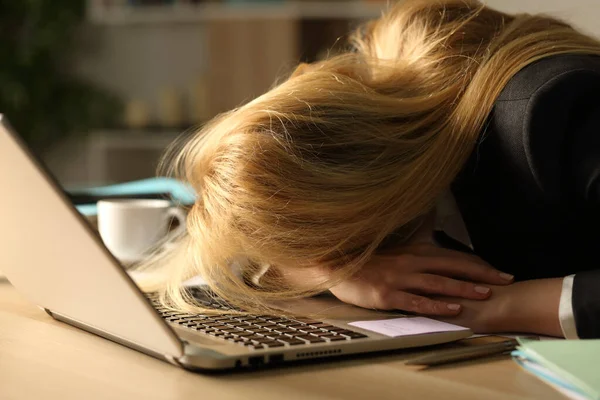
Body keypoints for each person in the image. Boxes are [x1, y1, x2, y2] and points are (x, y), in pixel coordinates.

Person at [137, 0, 600, 339]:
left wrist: (496, 309)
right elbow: (239, 258)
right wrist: (334, 273)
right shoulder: (356, 123)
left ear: (366, 205)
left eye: (333, 247)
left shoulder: (553, 113)